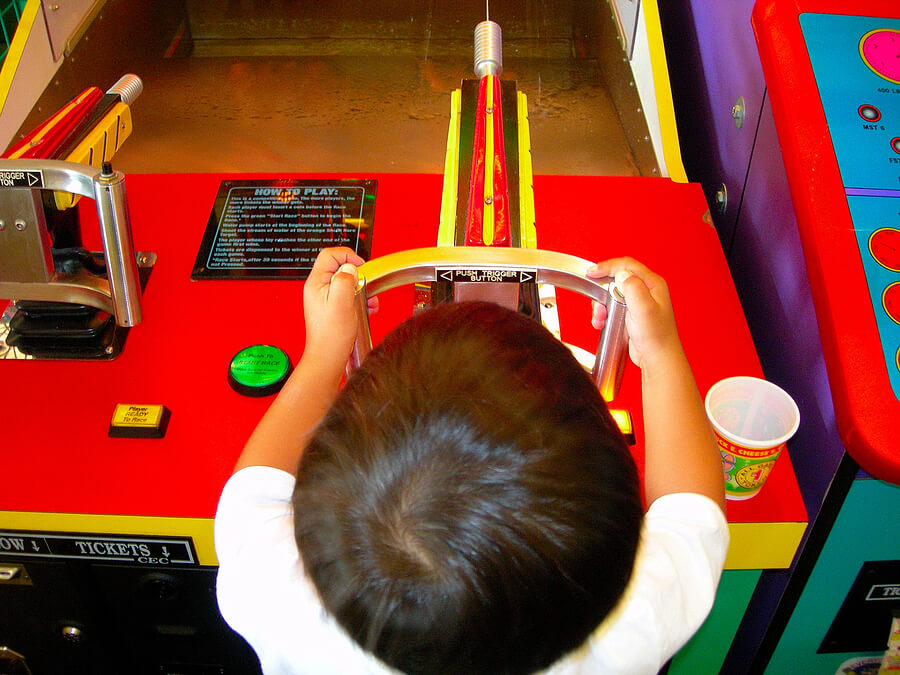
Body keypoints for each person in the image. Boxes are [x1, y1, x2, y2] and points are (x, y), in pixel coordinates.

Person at [215, 247, 728, 675]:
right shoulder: (632, 627)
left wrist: (324, 352)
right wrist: (661, 354)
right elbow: (692, 510)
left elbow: (251, 488)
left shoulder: (279, 602)